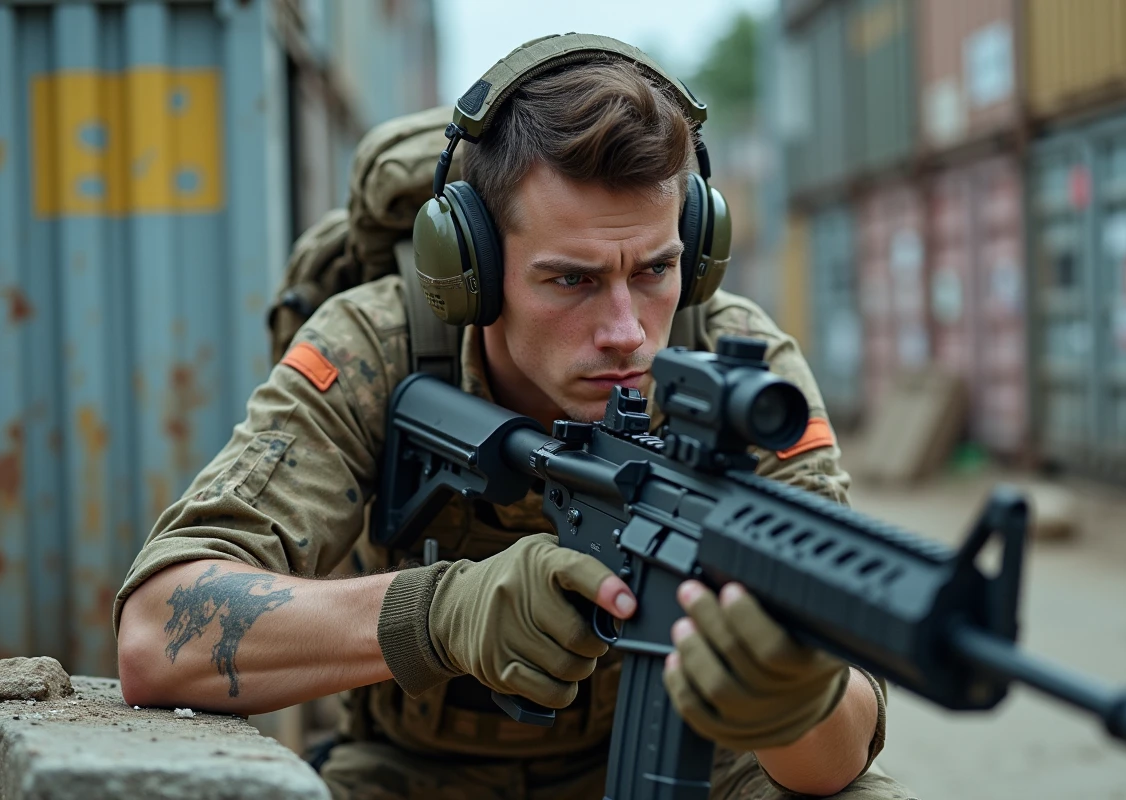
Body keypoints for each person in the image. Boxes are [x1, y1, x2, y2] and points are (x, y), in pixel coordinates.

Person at [114, 35, 916, 800]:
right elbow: (155, 636)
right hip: (415, 772)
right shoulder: (378, 344)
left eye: (655, 270)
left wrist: (792, 703)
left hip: (694, 762)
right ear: (473, 270)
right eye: (571, 280)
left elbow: (839, 750)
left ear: (696, 251)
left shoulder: (743, 377)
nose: (627, 331)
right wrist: (443, 613)